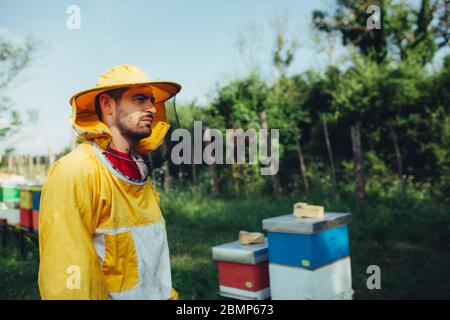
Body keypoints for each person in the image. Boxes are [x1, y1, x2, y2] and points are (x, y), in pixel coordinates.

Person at [38, 64, 181, 299]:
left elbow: (153, 264)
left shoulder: (139, 169)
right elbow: (67, 273)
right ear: (107, 105)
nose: (152, 109)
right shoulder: (76, 170)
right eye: (139, 99)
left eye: (152, 101)